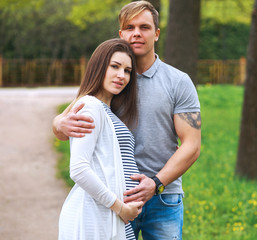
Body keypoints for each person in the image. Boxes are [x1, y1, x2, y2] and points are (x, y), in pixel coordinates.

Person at [53, 1, 201, 239]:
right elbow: (65, 125)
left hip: (163, 197)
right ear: (121, 33)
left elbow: (192, 145)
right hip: (114, 196)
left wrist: (155, 183)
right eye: (130, 27)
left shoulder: (178, 82)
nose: (137, 33)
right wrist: (59, 123)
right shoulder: (111, 78)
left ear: (157, 34)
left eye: (144, 27)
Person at [58, 38, 143, 240]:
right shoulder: (90, 106)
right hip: (98, 216)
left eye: (127, 70)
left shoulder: (107, 111)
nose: (121, 75)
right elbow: (79, 169)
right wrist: (120, 207)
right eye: (115, 66)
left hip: (113, 217)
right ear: (98, 67)